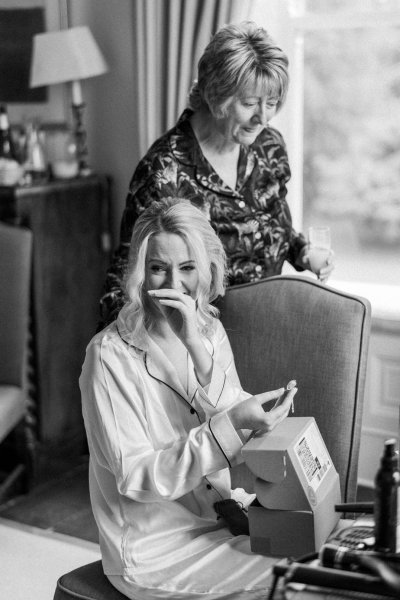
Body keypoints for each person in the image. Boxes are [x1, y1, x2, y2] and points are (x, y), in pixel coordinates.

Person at [80, 197, 298, 600]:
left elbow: (228, 411)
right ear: (138, 272)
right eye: (158, 268)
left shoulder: (209, 330)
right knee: (290, 583)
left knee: (327, 554)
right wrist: (231, 426)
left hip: (224, 512)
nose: (172, 285)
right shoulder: (108, 357)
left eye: (187, 268)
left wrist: (197, 348)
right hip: (158, 548)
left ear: (206, 268)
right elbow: (137, 478)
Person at [99, 21, 334, 328]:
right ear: (215, 95)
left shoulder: (269, 146)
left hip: (270, 325)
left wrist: (303, 252)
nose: (262, 118)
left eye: (272, 103)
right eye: (249, 103)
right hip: (202, 340)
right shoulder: (164, 170)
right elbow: (128, 275)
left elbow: (272, 226)